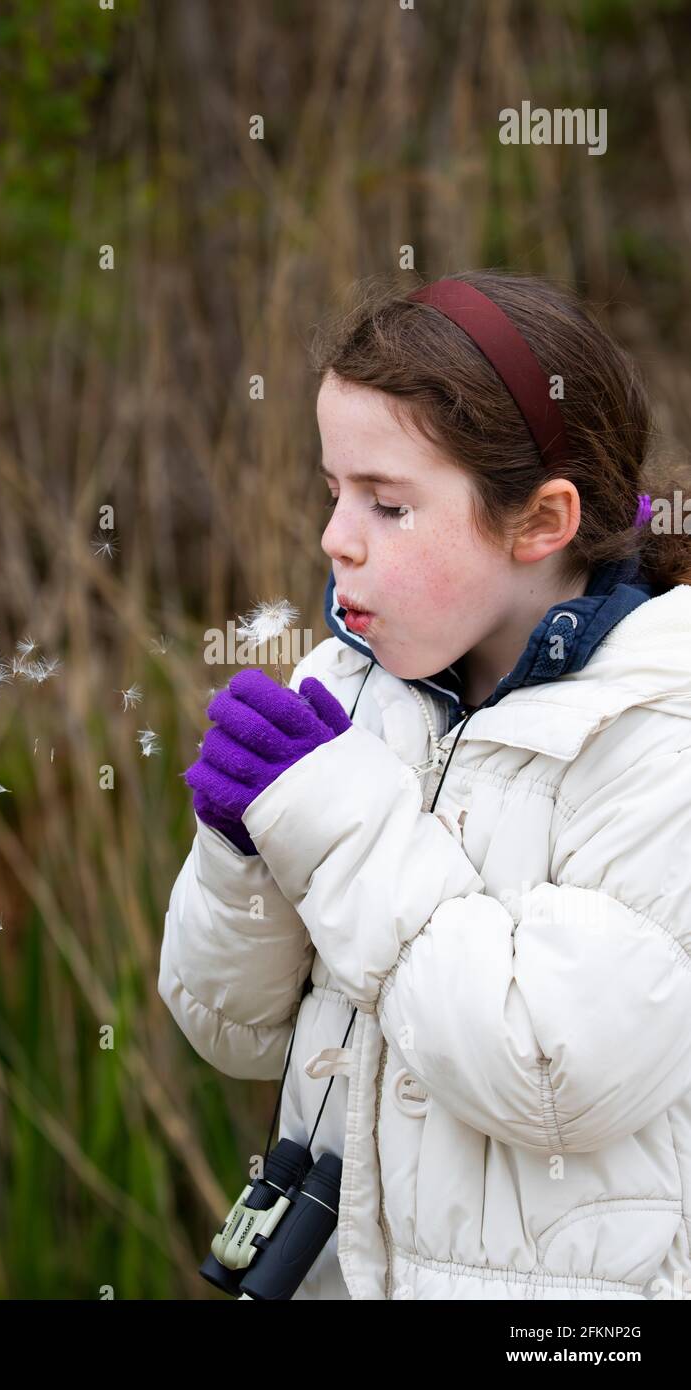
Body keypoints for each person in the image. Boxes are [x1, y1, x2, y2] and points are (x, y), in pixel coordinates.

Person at [158, 269, 691, 1300]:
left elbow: (552, 1067)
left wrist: (330, 823)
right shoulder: (348, 692)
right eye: (332, 491)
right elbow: (226, 1027)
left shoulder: (656, 730)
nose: (333, 538)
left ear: (538, 522)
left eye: (386, 504)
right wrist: (239, 851)